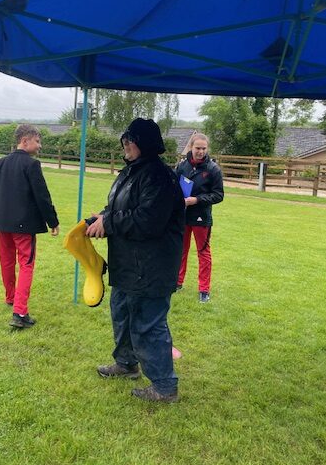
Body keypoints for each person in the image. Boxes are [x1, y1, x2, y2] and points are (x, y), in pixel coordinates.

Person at [86, 118, 185, 403]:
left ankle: (165, 387)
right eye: (125, 139)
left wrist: (110, 222)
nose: (126, 144)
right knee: (122, 314)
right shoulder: (130, 172)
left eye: (132, 140)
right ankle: (127, 364)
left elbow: (149, 221)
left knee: (147, 324)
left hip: (151, 266)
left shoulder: (158, 176)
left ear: (146, 143)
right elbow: (117, 207)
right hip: (128, 263)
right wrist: (100, 219)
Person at [0, 124, 59, 328]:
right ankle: (20, 313)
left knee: (6, 262)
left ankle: (11, 297)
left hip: (3, 224)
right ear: (25, 141)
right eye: (37, 141)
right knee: (26, 264)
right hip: (24, 227)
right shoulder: (32, 165)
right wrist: (53, 221)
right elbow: (42, 196)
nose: (39, 146)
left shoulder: (1, 163)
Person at [175, 133, 224, 303]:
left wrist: (197, 200)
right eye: (198, 148)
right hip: (182, 216)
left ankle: (204, 289)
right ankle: (177, 282)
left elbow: (218, 195)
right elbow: (174, 187)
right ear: (191, 147)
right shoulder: (182, 166)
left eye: (204, 148)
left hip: (201, 217)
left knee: (203, 253)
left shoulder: (213, 169)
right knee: (181, 250)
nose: (201, 151)